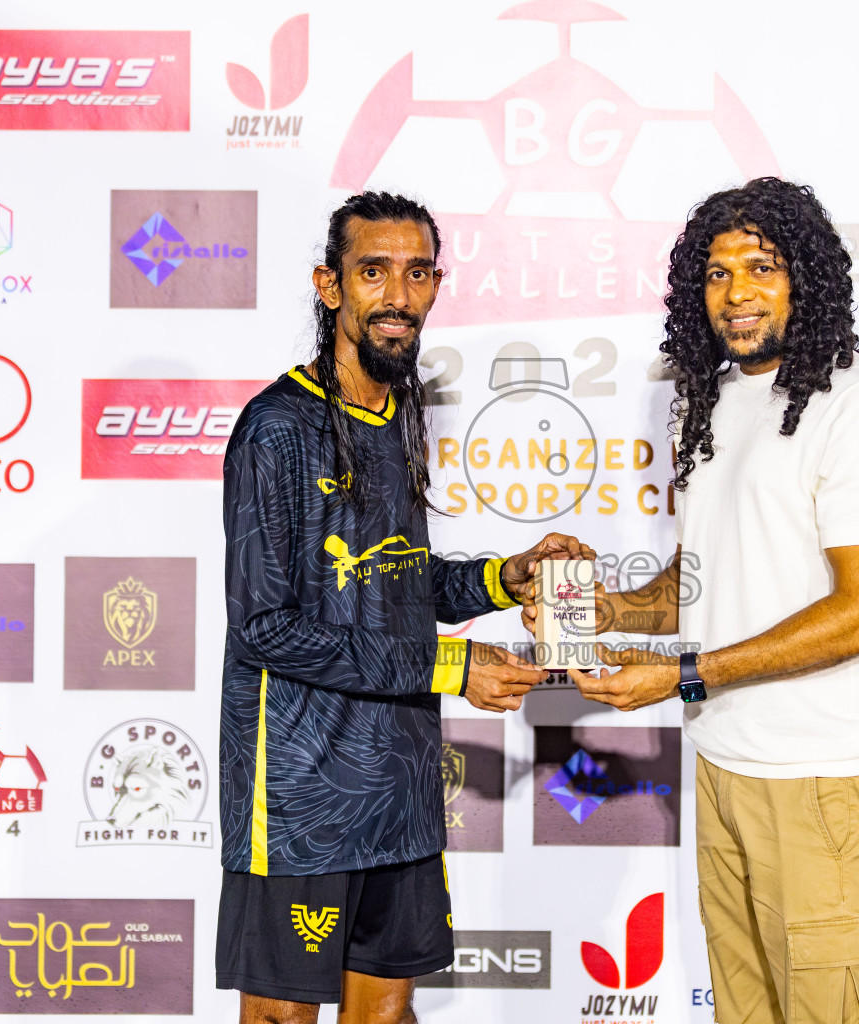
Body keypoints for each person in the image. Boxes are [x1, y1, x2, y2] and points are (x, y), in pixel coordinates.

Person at [525, 177, 859, 1024]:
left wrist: (686, 676)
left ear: (805, 278)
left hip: (822, 782)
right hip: (724, 766)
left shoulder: (858, 408)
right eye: (716, 273)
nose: (737, 293)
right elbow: (707, 576)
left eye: (762, 267)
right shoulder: (711, 402)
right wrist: (607, 612)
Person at [217, 190, 593, 1024]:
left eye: (417, 273)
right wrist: (452, 665)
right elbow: (268, 626)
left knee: (386, 1015)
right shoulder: (274, 428)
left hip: (402, 788)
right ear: (330, 285)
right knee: (282, 1018)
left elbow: (389, 584)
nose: (399, 294)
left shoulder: (394, 413)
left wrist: (507, 578)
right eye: (374, 271)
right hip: (301, 796)